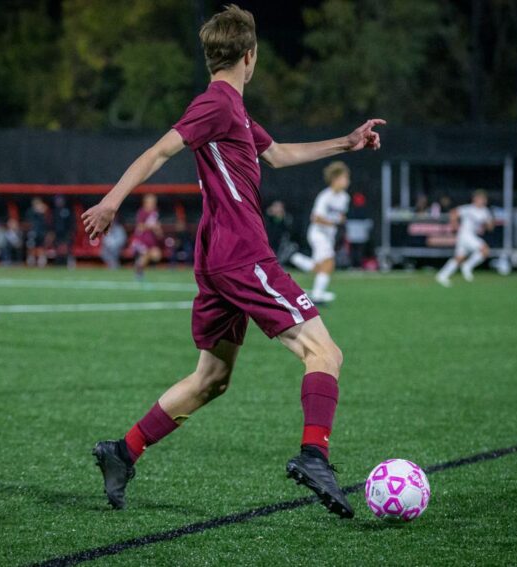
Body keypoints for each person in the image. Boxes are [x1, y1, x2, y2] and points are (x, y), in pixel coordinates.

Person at [82, 4, 384, 519]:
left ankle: (123, 451)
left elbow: (278, 154)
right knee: (325, 353)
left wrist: (346, 142)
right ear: (251, 56)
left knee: (212, 379)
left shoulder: (234, 110)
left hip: (218, 256)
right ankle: (315, 455)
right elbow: (160, 151)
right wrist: (112, 200)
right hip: (242, 254)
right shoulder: (217, 105)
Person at [289, 162, 351, 303]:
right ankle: (317, 294)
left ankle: (296, 258)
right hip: (318, 234)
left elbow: (340, 216)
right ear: (335, 179)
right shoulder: (325, 196)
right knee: (329, 263)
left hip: (328, 236)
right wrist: (334, 222)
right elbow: (316, 218)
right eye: (345, 178)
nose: (347, 182)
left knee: (320, 267)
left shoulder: (344, 198)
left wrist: (340, 220)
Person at [436, 189, 494, 287]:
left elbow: (490, 227)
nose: (483, 201)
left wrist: (489, 223)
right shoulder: (468, 209)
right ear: (475, 199)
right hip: (466, 235)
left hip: (469, 236)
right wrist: (454, 224)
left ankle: (442, 275)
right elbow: (453, 213)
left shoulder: (485, 211)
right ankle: (467, 266)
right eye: (481, 198)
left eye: (484, 199)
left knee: (459, 258)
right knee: (485, 250)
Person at [132, 193, 163, 279]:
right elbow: (140, 227)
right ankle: (139, 271)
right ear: (145, 203)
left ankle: (139, 267)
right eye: (151, 202)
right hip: (140, 240)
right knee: (146, 254)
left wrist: (158, 231)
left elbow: (157, 228)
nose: (153, 204)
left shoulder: (155, 213)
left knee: (157, 255)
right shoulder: (142, 212)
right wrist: (152, 226)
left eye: (154, 202)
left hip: (150, 241)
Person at [25, 197, 49, 267]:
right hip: (32, 232)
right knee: (31, 246)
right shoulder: (30, 211)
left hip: (41, 232)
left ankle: (41, 260)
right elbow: (29, 222)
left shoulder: (43, 212)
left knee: (41, 246)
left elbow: (46, 222)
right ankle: (31, 260)